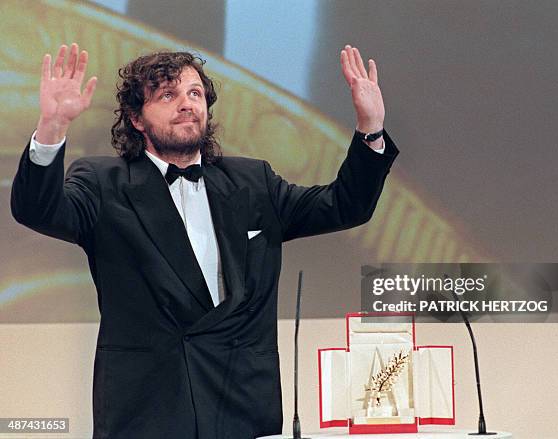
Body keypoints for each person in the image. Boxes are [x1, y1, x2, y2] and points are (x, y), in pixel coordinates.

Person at [11, 43, 398, 439]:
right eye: (167, 95)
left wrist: (371, 129)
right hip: (148, 409)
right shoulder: (102, 182)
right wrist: (52, 129)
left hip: (241, 401)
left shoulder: (253, 182)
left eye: (194, 93)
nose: (186, 104)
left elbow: (344, 206)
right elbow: (38, 209)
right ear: (136, 118)